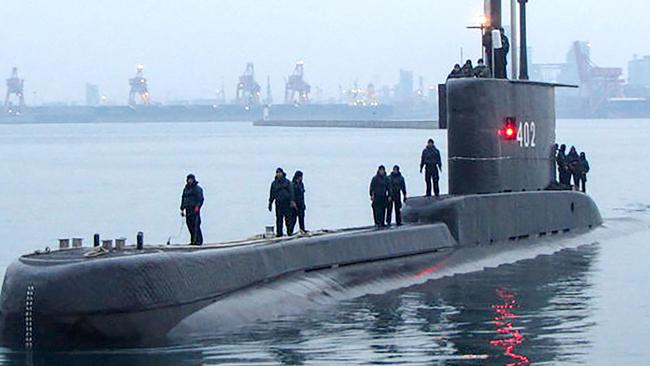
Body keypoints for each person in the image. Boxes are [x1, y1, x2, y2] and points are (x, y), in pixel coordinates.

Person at [268, 168, 296, 237]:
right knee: (279, 219)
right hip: (278, 203)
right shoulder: (274, 183)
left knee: (288, 219)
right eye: (277, 173)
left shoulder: (287, 182)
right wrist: (270, 203)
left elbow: (291, 192)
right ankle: (279, 233)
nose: (278, 174)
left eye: (280, 173)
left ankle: (289, 232)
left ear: (282, 173)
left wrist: (292, 201)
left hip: (287, 203)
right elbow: (272, 193)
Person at [180, 174, 204, 246]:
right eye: (189, 179)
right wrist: (182, 208)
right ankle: (193, 240)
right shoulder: (186, 189)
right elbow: (183, 198)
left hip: (195, 209)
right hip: (188, 209)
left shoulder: (197, 189)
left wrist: (198, 206)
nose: (190, 181)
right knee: (189, 225)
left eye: (191, 179)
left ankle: (198, 241)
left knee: (196, 225)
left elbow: (200, 199)